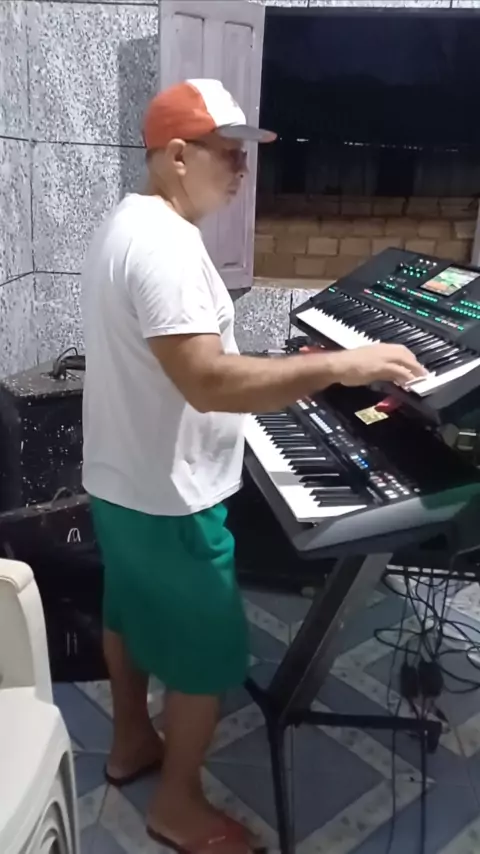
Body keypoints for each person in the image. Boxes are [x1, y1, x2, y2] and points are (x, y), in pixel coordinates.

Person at [81, 78, 426, 854]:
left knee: (126, 614)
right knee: (210, 661)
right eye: (228, 152)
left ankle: (131, 742)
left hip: (118, 479)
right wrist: (339, 366)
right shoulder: (168, 248)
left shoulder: (125, 224)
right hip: (172, 497)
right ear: (177, 156)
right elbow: (209, 381)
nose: (243, 169)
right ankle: (178, 805)